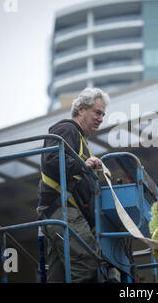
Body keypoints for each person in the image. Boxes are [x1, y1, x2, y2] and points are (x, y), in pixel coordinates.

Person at [37, 87, 110, 283]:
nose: (101, 118)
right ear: (80, 109)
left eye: (103, 114)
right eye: (97, 112)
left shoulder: (80, 141)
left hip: (58, 214)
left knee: (59, 277)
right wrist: (81, 165)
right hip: (62, 212)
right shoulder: (67, 129)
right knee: (87, 265)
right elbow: (51, 160)